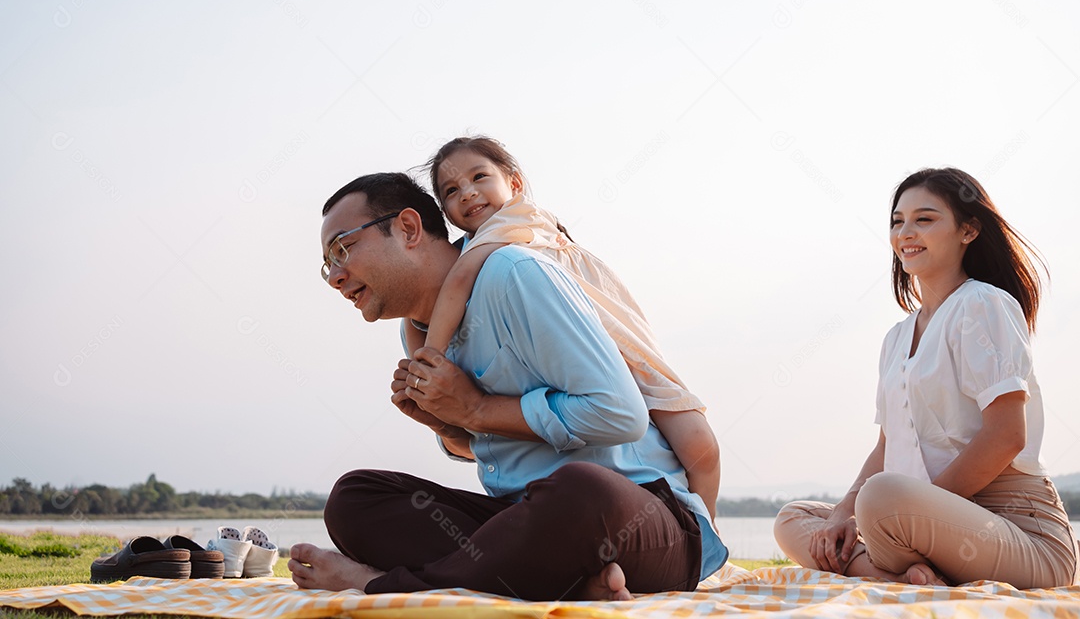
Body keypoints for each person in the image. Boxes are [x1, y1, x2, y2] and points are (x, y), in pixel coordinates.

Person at [290, 172, 727, 600]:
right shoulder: (418, 332)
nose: (335, 276)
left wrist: (475, 409)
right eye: (328, 264)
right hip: (523, 520)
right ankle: (562, 580)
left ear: (407, 228)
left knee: (580, 490)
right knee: (355, 499)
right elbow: (481, 447)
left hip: (637, 514)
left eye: (343, 249)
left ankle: (376, 585)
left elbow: (620, 414)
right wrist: (446, 425)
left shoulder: (512, 274)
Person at [773, 167, 1078, 589]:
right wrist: (844, 512)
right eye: (898, 221)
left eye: (925, 219)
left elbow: (1007, 436)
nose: (906, 232)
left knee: (879, 498)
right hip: (927, 518)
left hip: (1020, 533)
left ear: (968, 231)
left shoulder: (982, 304)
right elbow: (886, 446)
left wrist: (916, 508)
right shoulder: (896, 337)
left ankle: (897, 565)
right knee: (796, 517)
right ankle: (906, 575)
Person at [405, 136, 720, 518]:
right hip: (592, 348)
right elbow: (439, 297)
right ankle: (701, 535)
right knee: (690, 442)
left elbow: (453, 288)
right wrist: (430, 362)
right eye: (452, 191)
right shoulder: (484, 245)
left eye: (479, 177)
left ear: (515, 184)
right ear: (447, 212)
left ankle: (707, 529)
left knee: (700, 445)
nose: (468, 194)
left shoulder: (513, 225)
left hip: (623, 342)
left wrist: (429, 361)